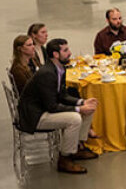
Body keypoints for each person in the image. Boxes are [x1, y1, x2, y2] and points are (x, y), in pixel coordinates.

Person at [18, 38, 98, 174]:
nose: (70, 53)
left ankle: (78, 147)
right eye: (65, 50)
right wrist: (78, 109)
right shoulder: (47, 73)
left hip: (43, 109)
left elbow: (62, 95)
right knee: (75, 118)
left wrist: (82, 102)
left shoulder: (59, 68)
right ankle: (65, 159)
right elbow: (52, 106)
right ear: (55, 54)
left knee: (88, 109)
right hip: (35, 116)